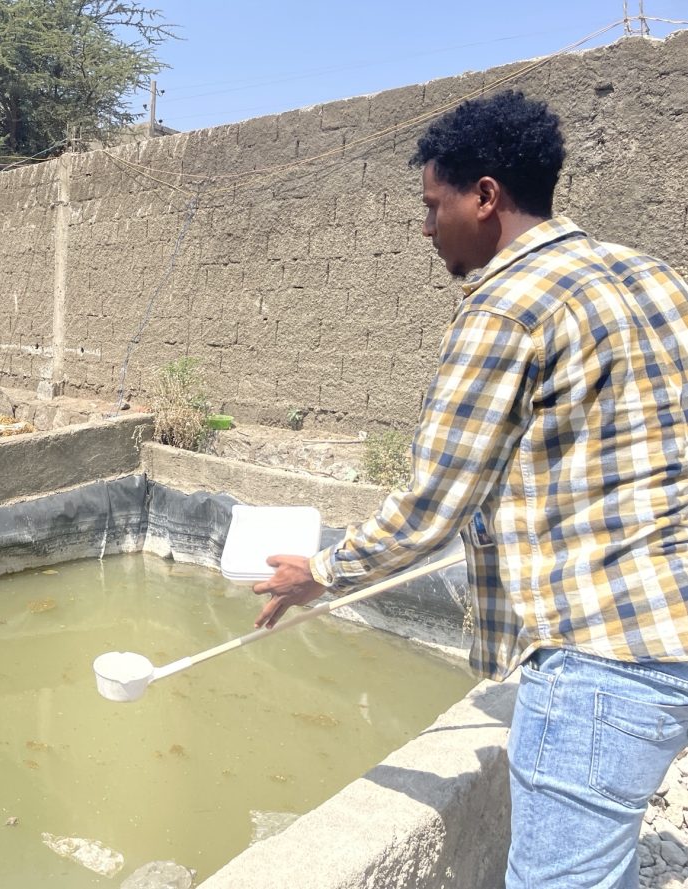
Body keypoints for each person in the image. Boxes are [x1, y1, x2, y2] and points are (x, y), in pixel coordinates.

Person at [253, 90, 688, 888]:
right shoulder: (655, 276)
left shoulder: (506, 306)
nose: (424, 228)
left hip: (602, 656)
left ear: (484, 196)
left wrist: (320, 571)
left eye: (431, 205)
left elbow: (433, 501)